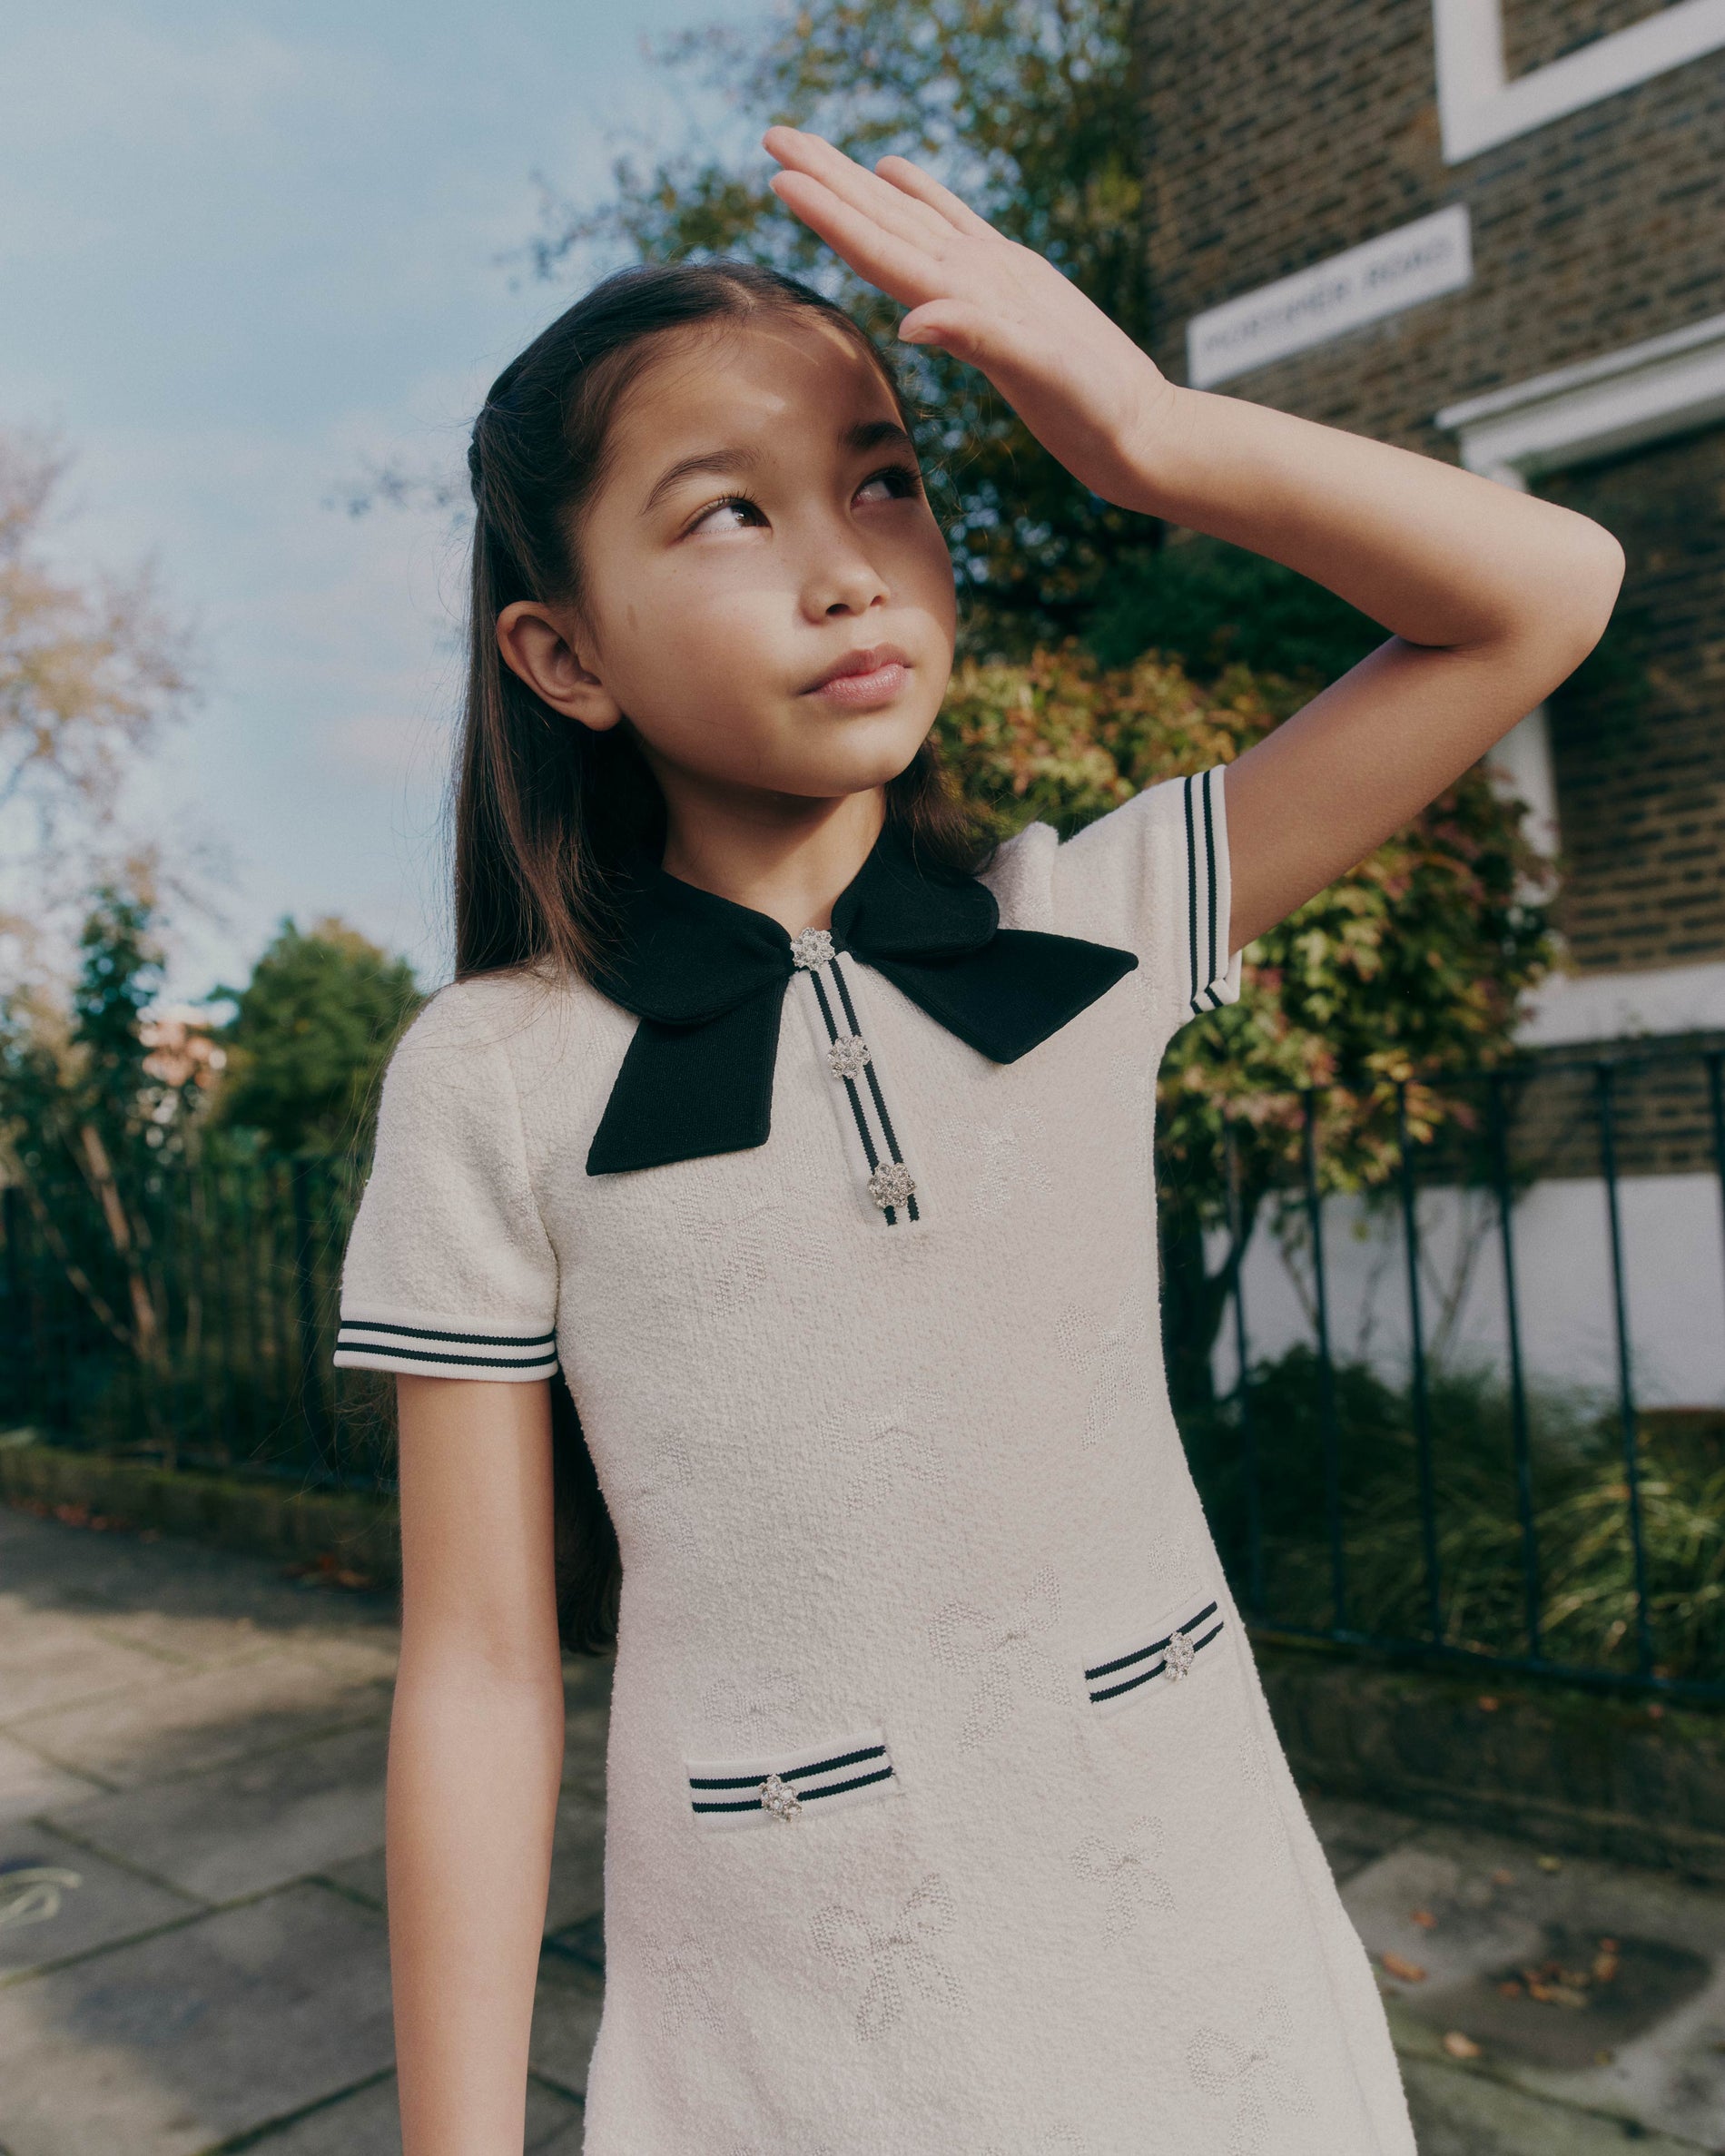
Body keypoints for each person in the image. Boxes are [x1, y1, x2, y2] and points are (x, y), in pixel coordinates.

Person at [332, 127, 1622, 2156]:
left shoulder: (1085, 926)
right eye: (726, 514)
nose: (845, 563)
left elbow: (1545, 594)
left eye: (883, 482)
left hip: (1207, 1990)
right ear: (559, 655)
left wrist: (1151, 432)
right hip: (796, 2039)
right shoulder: (491, 1077)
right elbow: (483, 1676)